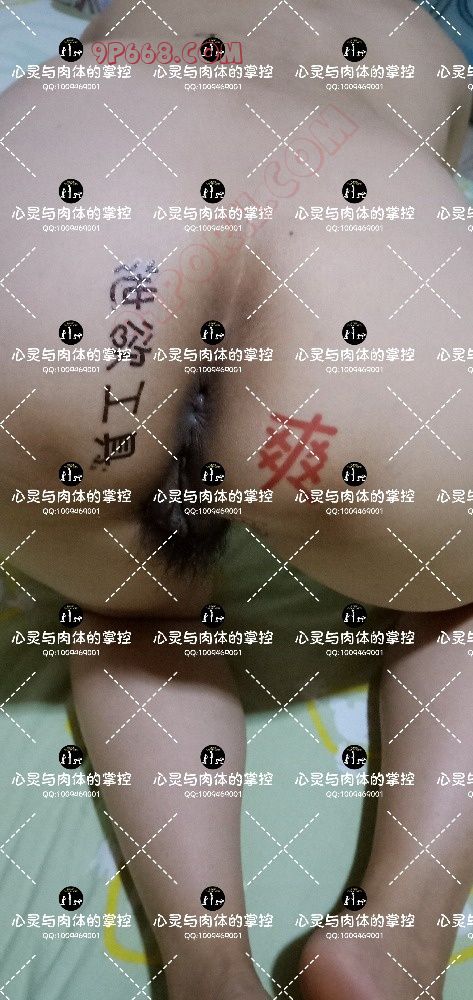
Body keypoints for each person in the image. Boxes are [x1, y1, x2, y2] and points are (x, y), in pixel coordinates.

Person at [0, 1, 472, 997]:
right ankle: (394, 935)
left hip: (54, 232)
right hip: (342, 247)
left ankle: (208, 966)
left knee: (132, 615)